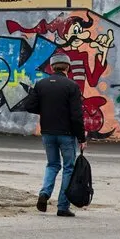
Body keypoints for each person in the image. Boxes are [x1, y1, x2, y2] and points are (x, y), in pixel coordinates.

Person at [24, 51, 86, 217]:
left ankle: (44, 193)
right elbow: (76, 116)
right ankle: (62, 207)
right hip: (66, 134)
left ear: (52, 67)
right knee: (68, 168)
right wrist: (82, 138)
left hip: (47, 133)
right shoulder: (72, 86)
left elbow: (29, 105)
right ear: (68, 67)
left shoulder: (41, 84)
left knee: (52, 165)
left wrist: (45, 109)